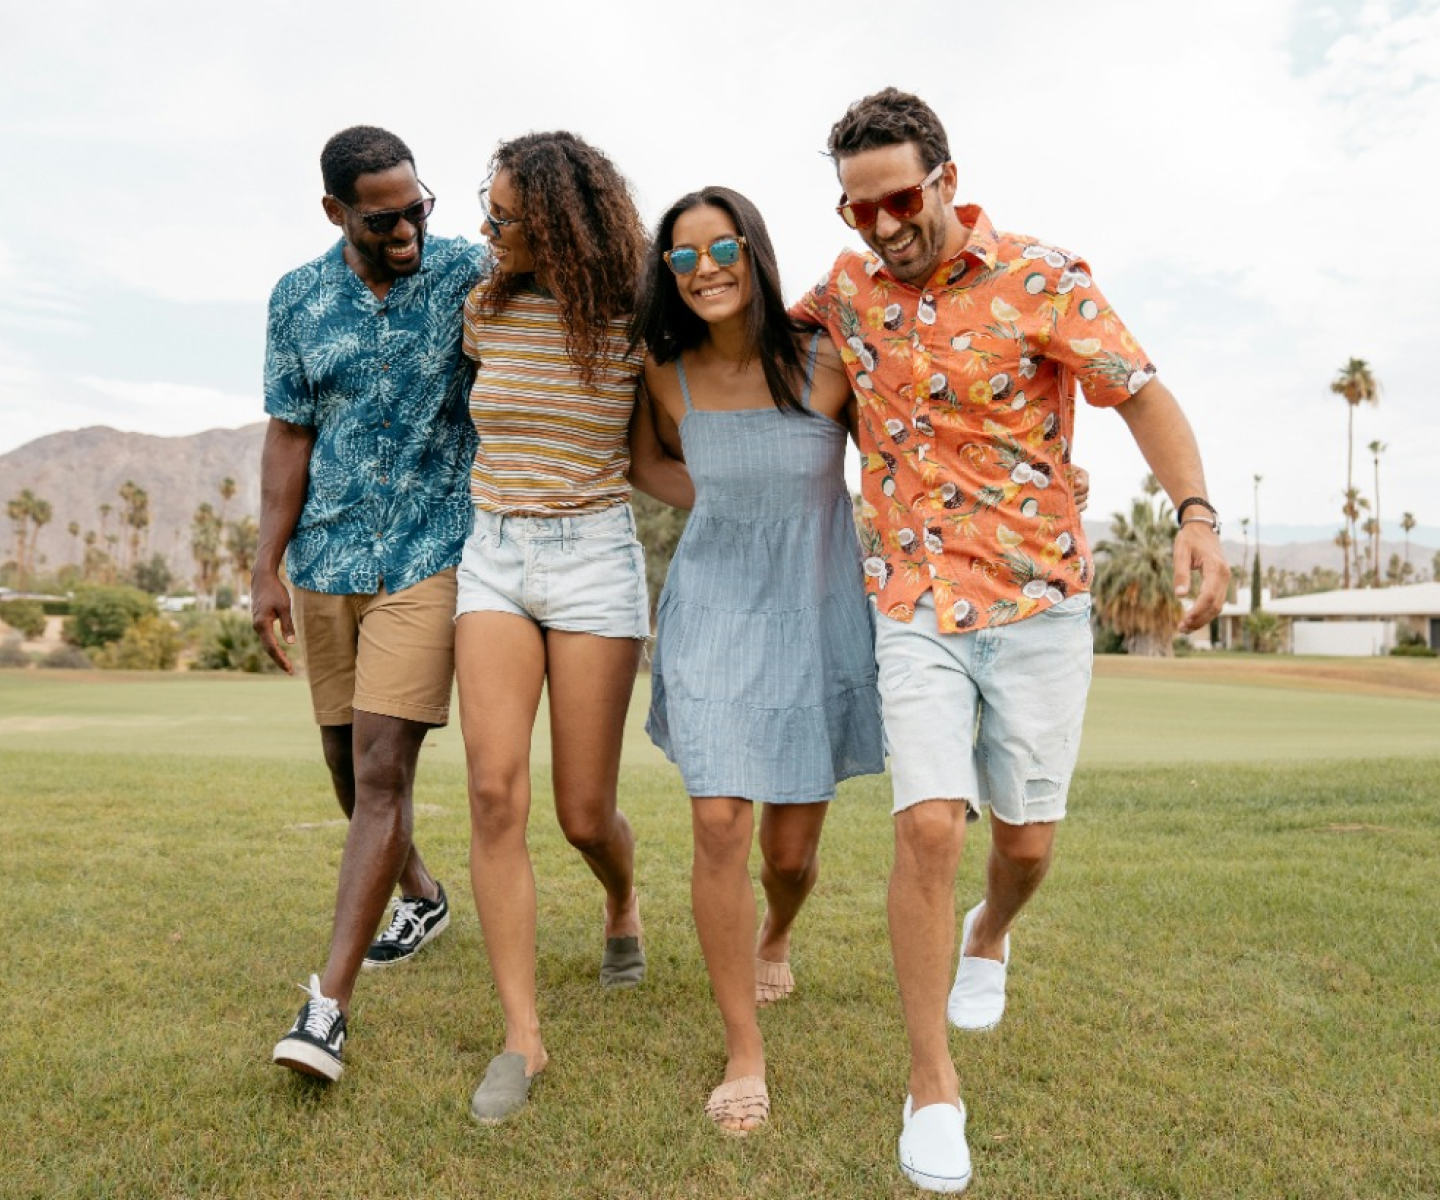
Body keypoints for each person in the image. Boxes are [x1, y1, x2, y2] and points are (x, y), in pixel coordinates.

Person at [795, 89, 1230, 1193]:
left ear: (945, 177)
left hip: (1039, 602)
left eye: (898, 199)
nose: (883, 227)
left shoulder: (1041, 275)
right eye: (858, 211)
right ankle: (931, 1082)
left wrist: (1193, 515)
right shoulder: (845, 291)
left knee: (1025, 844)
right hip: (911, 601)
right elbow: (736, 331)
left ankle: (993, 931)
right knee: (930, 826)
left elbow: (1140, 394)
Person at [630, 187, 886, 1133]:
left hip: (816, 612)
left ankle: (778, 928)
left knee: (790, 852)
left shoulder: (828, 360)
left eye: (722, 247)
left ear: (755, 250)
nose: (706, 270)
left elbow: (900, 459)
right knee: (719, 825)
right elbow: (642, 464)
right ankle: (745, 1049)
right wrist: (722, 496)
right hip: (714, 615)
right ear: (669, 273)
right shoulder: (666, 376)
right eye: (684, 257)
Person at [455, 131, 690, 1124]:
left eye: (505, 215)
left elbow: (654, 457)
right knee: (493, 793)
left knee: (583, 814)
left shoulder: (634, 320)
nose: (487, 227)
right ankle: (524, 1038)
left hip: (594, 559)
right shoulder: (484, 306)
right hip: (494, 556)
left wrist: (762, 504)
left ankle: (621, 903)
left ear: (556, 221)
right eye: (489, 207)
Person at [256, 125, 488, 1082]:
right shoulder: (298, 299)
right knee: (346, 766)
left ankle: (327, 1011)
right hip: (326, 558)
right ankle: (422, 893)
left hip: (432, 552)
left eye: (419, 207)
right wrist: (266, 564)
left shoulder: (469, 273)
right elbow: (288, 434)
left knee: (384, 764)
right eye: (385, 217)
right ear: (336, 212)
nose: (408, 230)